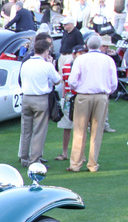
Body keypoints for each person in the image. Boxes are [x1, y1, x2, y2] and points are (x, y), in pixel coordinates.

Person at [67, 35, 118, 172]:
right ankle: (92, 164)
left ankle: (75, 164)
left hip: (84, 95)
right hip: (101, 96)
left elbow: (72, 80)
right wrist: (107, 92)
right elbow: (114, 83)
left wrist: (78, 88)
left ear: (87, 46)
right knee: (97, 131)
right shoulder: (108, 60)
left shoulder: (81, 59)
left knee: (79, 130)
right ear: (100, 46)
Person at [18, 37, 62, 167]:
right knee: (39, 131)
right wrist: (52, 64)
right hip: (40, 99)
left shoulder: (26, 63)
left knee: (26, 130)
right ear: (46, 51)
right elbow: (57, 80)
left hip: (26, 97)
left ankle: (24, 158)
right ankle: (35, 160)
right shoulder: (46, 65)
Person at [54, 45, 86, 161]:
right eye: (80, 53)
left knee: (80, 128)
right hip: (68, 99)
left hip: (80, 98)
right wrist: (63, 99)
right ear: (74, 54)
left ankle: (80, 154)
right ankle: (65, 152)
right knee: (67, 126)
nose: (82, 55)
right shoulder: (66, 67)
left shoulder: (85, 67)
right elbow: (64, 85)